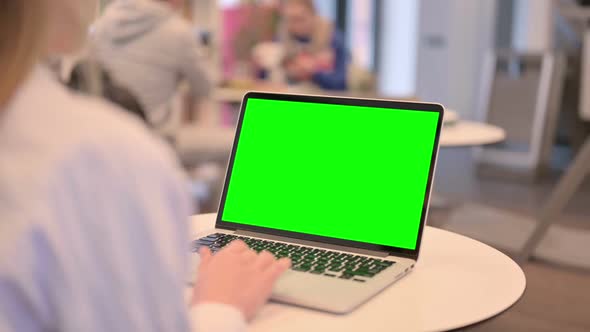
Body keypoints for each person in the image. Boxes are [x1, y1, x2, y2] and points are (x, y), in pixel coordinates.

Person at [0, 1, 290, 331]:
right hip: (154, 137)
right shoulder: (100, 163)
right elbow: (206, 87)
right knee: (232, 139)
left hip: (120, 119)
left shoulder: (109, 22)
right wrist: (220, 308)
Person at [91, 0, 211, 129]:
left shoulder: (102, 25)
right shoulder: (179, 31)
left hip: (105, 127)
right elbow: (205, 86)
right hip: (152, 132)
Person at [257, 0, 348, 90]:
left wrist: (313, 72)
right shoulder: (282, 37)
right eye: (290, 20)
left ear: (314, 16)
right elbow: (265, 78)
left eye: (300, 19)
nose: (295, 25)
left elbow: (341, 82)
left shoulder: (332, 38)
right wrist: (263, 66)